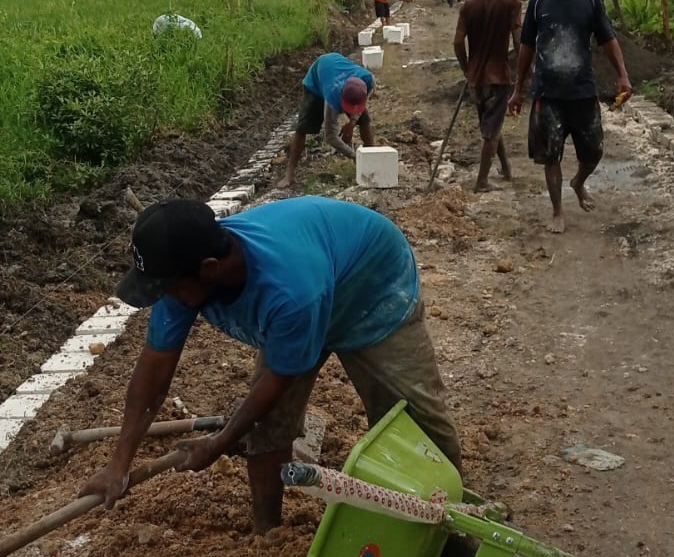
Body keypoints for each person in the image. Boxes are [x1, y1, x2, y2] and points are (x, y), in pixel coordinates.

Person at [80, 197, 462, 534]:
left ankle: (454, 524)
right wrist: (119, 465)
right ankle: (267, 534)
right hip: (312, 281)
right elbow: (153, 376)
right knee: (267, 425)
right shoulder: (183, 274)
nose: (165, 298)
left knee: (416, 424)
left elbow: (277, 381)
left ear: (210, 268)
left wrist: (219, 443)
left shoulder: (289, 290)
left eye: (167, 288)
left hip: (371, 287)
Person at [508, 0, 632, 234]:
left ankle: (578, 182)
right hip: (547, 93)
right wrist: (518, 89)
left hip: (583, 91)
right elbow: (526, 48)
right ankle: (557, 211)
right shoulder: (539, 3)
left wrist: (623, 75)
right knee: (551, 155)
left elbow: (608, 39)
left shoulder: (591, 1)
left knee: (594, 150)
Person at [453, 0, 522, 192]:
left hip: (476, 80)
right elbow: (518, 41)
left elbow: (457, 42)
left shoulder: (469, 6)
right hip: (499, 77)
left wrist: (466, 68)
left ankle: (506, 168)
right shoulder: (511, 4)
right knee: (491, 132)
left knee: (491, 124)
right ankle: (482, 181)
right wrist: (523, 70)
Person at [277, 52, 375, 189]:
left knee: (364, 120)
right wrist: (355, 156)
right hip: (316, 84)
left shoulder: (368, 79)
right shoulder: (332, 97)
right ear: (342, 97)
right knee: (302, 128)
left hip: (336, 67)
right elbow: (330, 137)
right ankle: (290, 174)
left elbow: (362, 103)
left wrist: (352, 122)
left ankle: (372, 158)